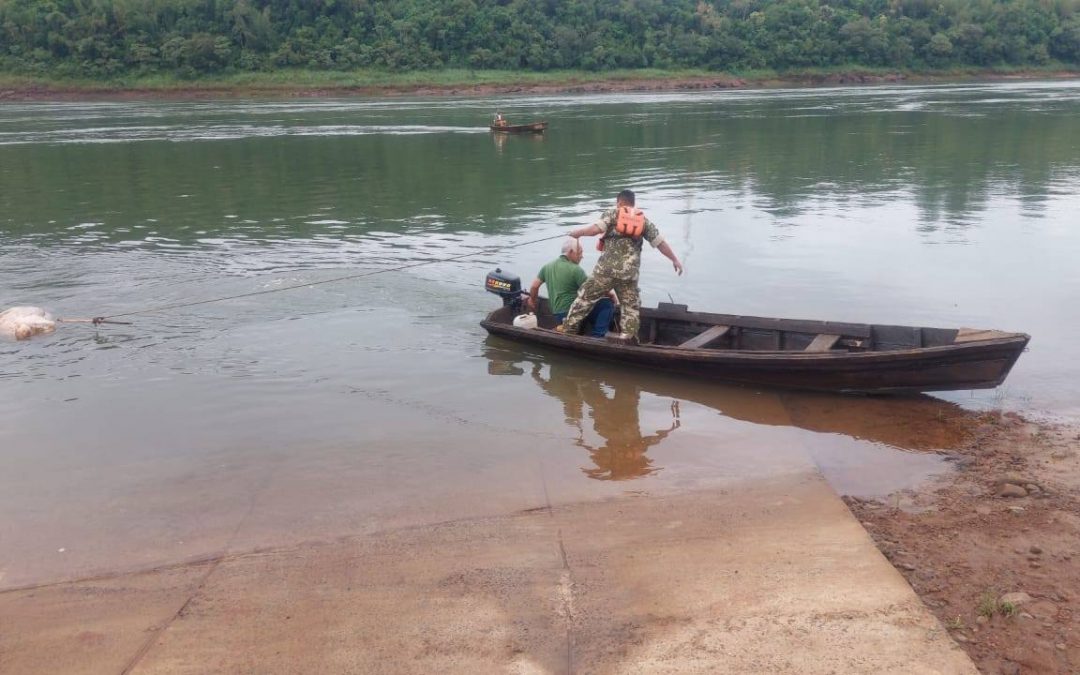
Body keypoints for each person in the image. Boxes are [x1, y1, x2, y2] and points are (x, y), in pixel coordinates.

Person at [560, 189, 683, 343]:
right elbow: (660, 243)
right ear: (633, 203)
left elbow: (594, 230)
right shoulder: (644, 221)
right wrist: (675, 260)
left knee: (584, 299)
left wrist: (576, 233)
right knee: (630, 307)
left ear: (619, 202)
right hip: (629, 274)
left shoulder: (613, 214)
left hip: (605, 271)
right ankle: (629, 339)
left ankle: (568, 331)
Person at [527, 237, 616, 338]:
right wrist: (611, 295)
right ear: (570, 252)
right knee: (606, 304)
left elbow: (534, 287)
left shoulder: (547, 266)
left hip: (558, 315)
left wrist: (532, 300)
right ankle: (598, 337)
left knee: (591, 303)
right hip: (572, 315)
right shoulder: (576, 270)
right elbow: (595, 289)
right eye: (580, 253)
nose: (582, 256)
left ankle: (571, 329)